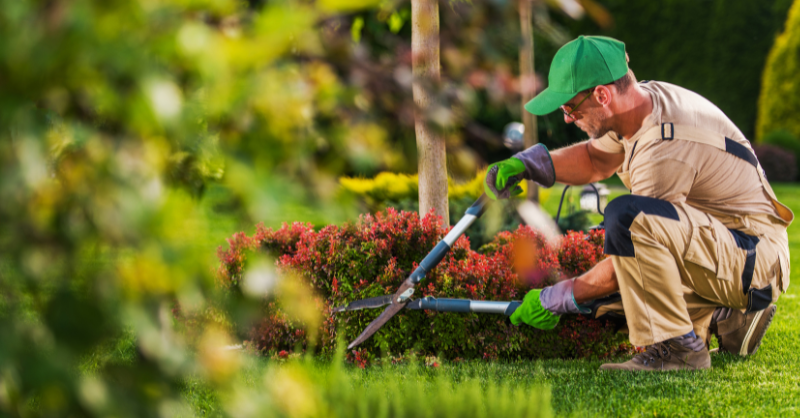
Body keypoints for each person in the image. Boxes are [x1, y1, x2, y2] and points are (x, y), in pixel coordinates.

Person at [485, 35, 793, 371]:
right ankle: (729, 317)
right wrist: (531, 165)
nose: (567, 119)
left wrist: (557, 298)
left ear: (602, 94)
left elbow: (630, 254)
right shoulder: (638, 105)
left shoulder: (663, 146)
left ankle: (681, 350)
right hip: (733, 245)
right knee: (616, 297)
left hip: (754, 259)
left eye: (570, 107)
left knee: (625, 224)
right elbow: (595, 160)